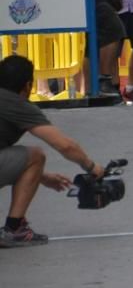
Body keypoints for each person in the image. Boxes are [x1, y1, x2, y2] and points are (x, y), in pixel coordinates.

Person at [0, 55, 104, 247]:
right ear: (28, 85)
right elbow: (64, 145)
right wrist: (91, 167)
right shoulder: (17, 104)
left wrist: (41, 176)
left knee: (28, 159)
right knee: (35, 155)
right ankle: (14, 229)